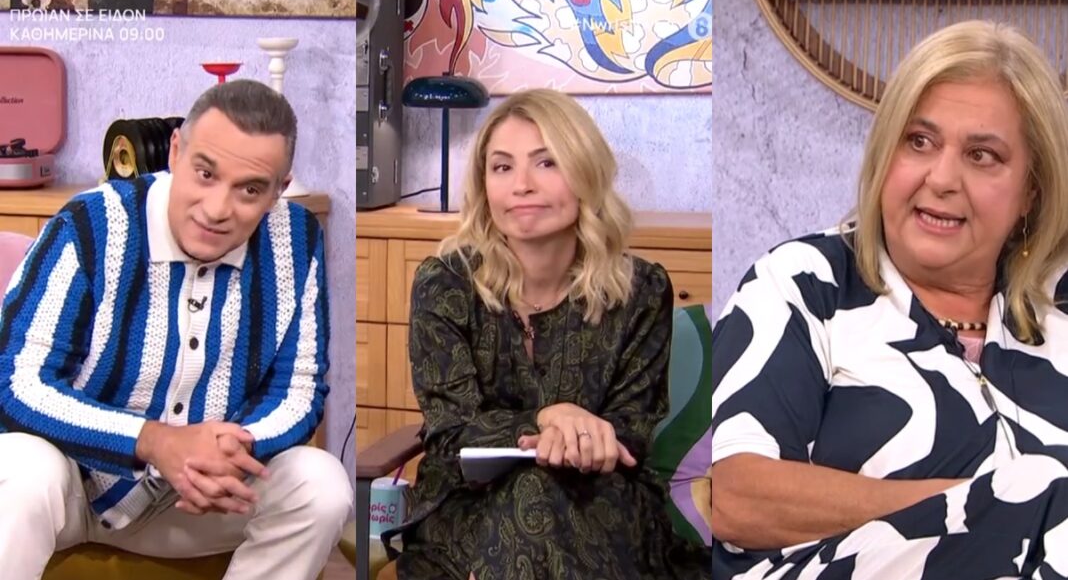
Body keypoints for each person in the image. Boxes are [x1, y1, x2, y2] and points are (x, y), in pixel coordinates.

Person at [709, 20, 1068, 578]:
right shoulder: (805, 283)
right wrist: (1000, 507)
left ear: (1030, 192)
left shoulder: (1057, 309)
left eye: (982, 155)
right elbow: (739, 496)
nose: (942, 178)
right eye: (919, 141)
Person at [0, 79, 353, 580]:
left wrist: (230, 451)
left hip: (203, 499)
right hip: (76, 487)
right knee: (20, 469)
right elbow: (17, 382)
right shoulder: (91, 222)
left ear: (279, 191)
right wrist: (153, 442)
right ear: (175, 151)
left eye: (250, 190)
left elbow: (298, 390)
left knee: (321, 484)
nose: (216, 209)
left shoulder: (296, 239)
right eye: (205, 173)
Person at [381, 89, 710, 579]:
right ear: (484, 185)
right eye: (502, 167)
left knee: (538, 497)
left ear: (585, 173)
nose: (522, 185)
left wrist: (584, 440)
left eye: (546, 163)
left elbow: (632, 430)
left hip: (597, 504)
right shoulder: (445, 284)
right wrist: (546, 418)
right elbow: (451, 432)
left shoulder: (641, 290)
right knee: (529, 495)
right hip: (469, 507)